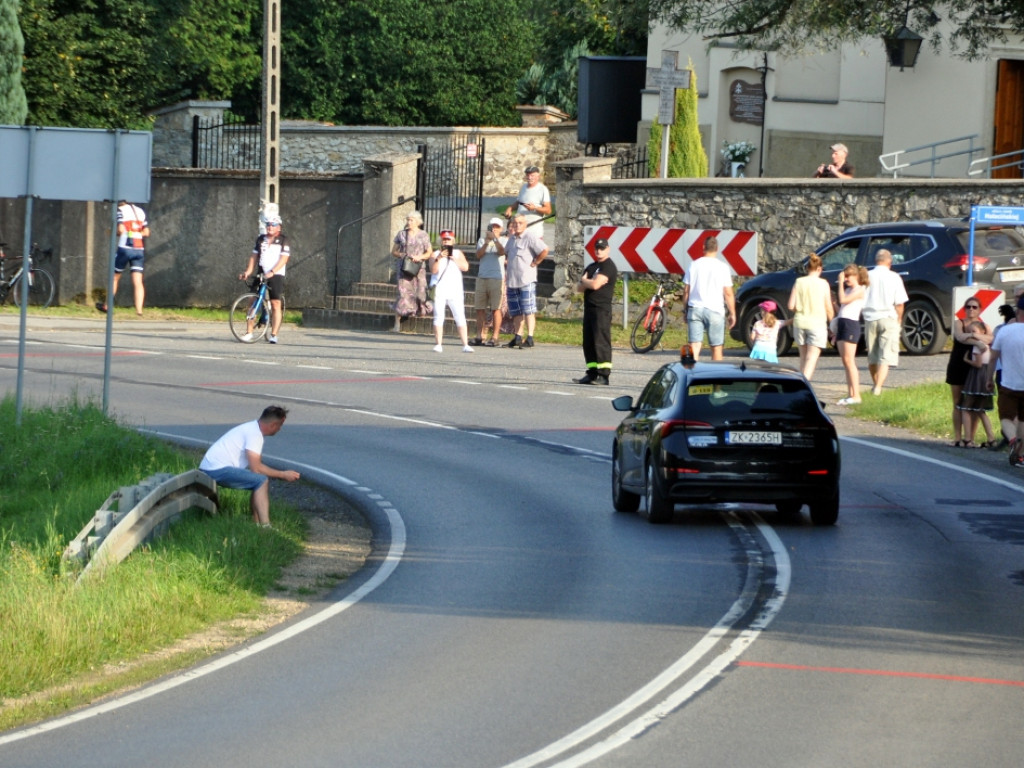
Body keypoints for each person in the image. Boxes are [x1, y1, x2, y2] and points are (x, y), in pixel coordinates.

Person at [199, 405, 301, 527]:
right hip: (216, 470)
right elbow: (256, 468)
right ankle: (265, 526)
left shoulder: (251, 428)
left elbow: (256, 470)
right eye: (280, 426)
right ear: (273, 425)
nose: (279, 429)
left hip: (210, 468)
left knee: (257, 480)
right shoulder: (255, 435)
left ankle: (256, 524)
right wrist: (283, 474)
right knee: (262, 481)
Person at [862, 248, 908, 395]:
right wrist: (899, 319)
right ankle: (878, 387)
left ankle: (875, 384)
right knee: (885, 355)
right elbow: (900, 303)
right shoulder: (894, 277)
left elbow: (860, 298)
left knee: (872, 355)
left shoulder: (867, 276)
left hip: (870, 318)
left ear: (876, 260)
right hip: (888, 317)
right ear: (890, 262)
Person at [682, 236, 736, 361]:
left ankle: (690, 374)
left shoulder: (693, 265)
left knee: (694, 346)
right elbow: (728, 292)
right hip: (715, 310)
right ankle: (716, 379)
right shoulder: (723, 267)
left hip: (695, 308)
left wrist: (685, 310)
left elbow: (686, 291)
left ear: (703, 248)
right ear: (717, 249)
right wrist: (732, 313)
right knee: (716, 347)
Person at [947, 298, 992, 446]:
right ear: (964, 308)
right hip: (958, 365)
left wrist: (975, 336)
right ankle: (958, 438)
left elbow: (991, 338)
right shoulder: (959, 322)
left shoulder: (984, 325)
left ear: (979, 309)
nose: (971, 309)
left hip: (975, 368)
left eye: (974, 307)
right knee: (957, 402)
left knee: (973, 404)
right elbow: (960, 337)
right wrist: (978, 341)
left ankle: (970, 438)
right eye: (968, 307)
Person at [239, 214, 291, 343]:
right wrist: (248, 272)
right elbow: (254, 257)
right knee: (252, 300)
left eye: (273, 225)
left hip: (276, 273)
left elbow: (284, 258)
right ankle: (249, 332)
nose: (270, 227)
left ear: (279, 227)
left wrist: (273, 272)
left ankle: (274, 334)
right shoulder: (261, 239)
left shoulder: (284, 240)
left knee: (275, 303)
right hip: (262, 271)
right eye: (267, 224)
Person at [987, 296, 1024, 467]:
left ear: (1018, 312)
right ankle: (1020, 454)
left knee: (1006, 417)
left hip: (1009, 384)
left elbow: (993, 358)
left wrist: (988, 379)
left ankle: (1012, 439)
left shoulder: (1005, 331)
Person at [575, 238, 618, 384]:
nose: (599, 251)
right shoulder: (592, 266)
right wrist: (587, 282)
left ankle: (603, 375)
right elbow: (579, 288)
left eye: (602, 248)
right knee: (589, 342)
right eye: (597, 248)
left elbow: (595, 285)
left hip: (601, 309)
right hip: (590, 308)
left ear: (608, 249)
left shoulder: (608, 266)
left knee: (601, 341)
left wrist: (586, 281)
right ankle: (592, 373)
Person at [504, 213, 549, 349]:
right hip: (512, 280)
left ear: (525, 224)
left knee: (528, 310)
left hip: (526, 279)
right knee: (516, 311)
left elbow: (545, 249)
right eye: (515, 223)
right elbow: (506, 253)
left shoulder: (530, 237)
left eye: (520, 223)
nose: (517, 225)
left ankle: (530, 337)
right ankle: (518, 336)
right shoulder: (512, 239)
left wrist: (537, 261)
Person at [97, 201, 150, 315]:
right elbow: (146, 232)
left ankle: (106, 306)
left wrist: (113, 233)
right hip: (139, 248)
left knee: (114, 278)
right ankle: (139, 310)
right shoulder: (140, 211)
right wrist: (137, 233)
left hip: (125, 248)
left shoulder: (120, 210)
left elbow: (121, 229)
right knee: (138, 281)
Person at [787, 252, 834, 381]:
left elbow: (791, 305)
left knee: (803, 357)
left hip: (800, 322)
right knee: (811, 358)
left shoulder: (799, 281)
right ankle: (804, 385)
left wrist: (801, 307)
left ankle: (800, 381)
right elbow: (828, 307)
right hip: (817, 324)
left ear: (807, 268)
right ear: (819, 269)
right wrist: (833, 324)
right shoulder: (823, 284)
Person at [429, 229, 473, 353]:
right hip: (440, 289)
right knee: (439, 316)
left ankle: (465, 344)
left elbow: (465, 267)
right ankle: (438, 344)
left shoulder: (458, 253)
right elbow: (433, 270)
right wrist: (439, 258)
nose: (446, 242)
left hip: (455, 290)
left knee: (460, 315)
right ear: (440, 241)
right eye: (444, 239)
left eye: (448, 239)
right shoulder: (435, 254)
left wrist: (453, 258)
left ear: (453, 241)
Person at [957, 321, 998, 448]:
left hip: (977, 376)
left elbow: (978, 364)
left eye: (974, 331)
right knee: (980, 410)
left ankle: (968, 439)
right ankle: (991, 439)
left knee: (966, 407)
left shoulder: (977, 347)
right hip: (986, 375)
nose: (971, 334)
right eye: (970, 332)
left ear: (982, 332)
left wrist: (966, 360)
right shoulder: (989, 346)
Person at [391, 210, 433, 330]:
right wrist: (403, 255)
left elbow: (429, 252)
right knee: (402, 293)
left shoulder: (424, 235)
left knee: (420, 292)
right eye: (408, 220)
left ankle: (420, 312)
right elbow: (394, 251)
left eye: (411, 220)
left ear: (418, 222)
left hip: (418, 268)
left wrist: (419, 257)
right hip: (404, 268)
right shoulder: (401, 234)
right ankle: (397, 323)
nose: (409, 222)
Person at [835, 264, 869, 404]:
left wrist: (840, 284)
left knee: (850, 360)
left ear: (856, 276)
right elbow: (841, 307)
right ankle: (850, 394)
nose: (846, 279)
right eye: (845, 276)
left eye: (848, 276)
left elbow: (843, 300)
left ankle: (856, 395)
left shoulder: (860, 290)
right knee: (845, 361)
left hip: (851, 324)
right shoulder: (848, 289)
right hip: (843, 322)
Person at [471, 217, 507, 346]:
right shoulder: (482, 240)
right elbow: (479, 255)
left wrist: (495, 239)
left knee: (495, 309)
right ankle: (480, 336)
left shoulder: (504, 240)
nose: (494, 229)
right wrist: (487, 242)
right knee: (480, 308)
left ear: (501, 229)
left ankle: (495, 337)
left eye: (497, 227)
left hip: (496, 278)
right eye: (492, 226)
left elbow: (502, 252)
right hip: (482, 277)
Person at [504, 165, 552, 239]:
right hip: (520, 229)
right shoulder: (524, 187)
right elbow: (518, 203)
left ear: (538, 176)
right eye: (528, 175)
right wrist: (510, 209)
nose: (529, 178)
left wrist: (534, 208)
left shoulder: (542, 189)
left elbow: (548, 210)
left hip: (534, 231)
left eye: (532, 175)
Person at [748, 300, 790, 364]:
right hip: (770, 349)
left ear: (763, 312)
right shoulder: (777, 323)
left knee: (759, 368)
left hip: (758, 348)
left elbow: (752, 337)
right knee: (770, 369)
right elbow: (788, 322)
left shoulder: (757, 323)